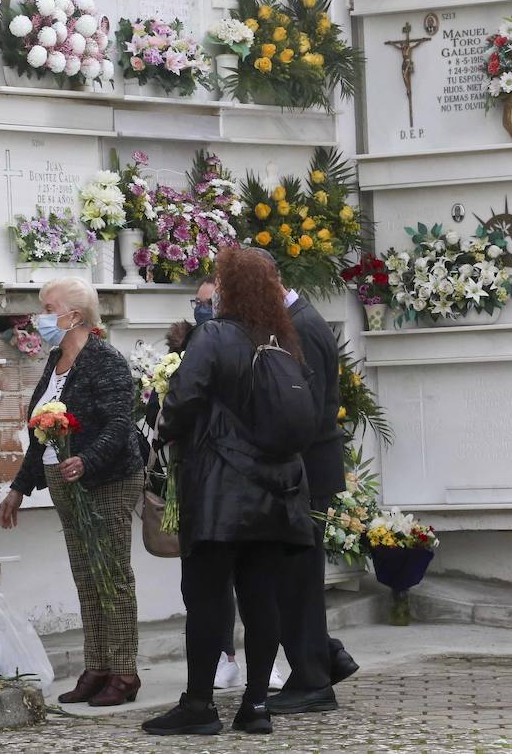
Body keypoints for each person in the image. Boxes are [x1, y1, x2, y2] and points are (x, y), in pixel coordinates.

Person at [142, 249, 314, 737]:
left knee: (207, 600)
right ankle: (256, 704)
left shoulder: (215, 336)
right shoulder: (284, 338)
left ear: (230, 287)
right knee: (262, 599)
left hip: (220, 489)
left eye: (219, 280)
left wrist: (165, 431)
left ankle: (199, 706)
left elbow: (183, 398)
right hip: (278, 490)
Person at [0, 277, 145, 707]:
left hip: (108, 481)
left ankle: (124, 671)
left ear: (74, 316)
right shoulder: (55, 360)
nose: (40, 317)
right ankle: (97, 667)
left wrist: (87, 460)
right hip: (64, 482)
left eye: (48, 308)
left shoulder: (105, 360)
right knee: (86, 577)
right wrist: (19, 488)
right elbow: (42, 430)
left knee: (112, 577)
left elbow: (120, 424)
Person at [267, 271, 360, 715]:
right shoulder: (298, 317)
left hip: (305, 474)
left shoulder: (299, 325)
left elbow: (303, 407)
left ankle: (312, 681)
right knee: (289, 580)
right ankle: (325, 657)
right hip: (306, 471)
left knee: (298, 582)